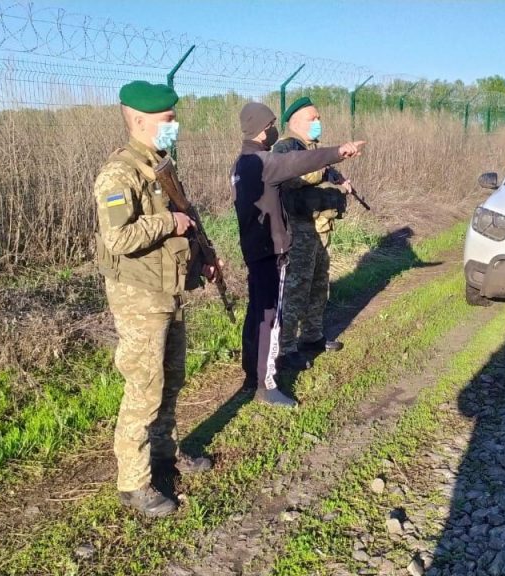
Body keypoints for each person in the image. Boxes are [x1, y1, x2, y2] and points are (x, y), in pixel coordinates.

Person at [94, 80, 218, 517]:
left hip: (170, 287)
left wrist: (202, 257)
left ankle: (164, 451)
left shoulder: (160, 163)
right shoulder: (119, 173)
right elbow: (119, 237)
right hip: (139, 294)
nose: (174, 125)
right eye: (168, 120)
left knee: (172, 376)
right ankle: (133, 482)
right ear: (141, 121)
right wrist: (167, 223)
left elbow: (185, 219)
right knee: (144, 386)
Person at [231, 102, 364, 408]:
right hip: (270, 249)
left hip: (254, 247)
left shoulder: (240, 163)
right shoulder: (265, 161)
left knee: (256, 317)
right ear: (264, 129)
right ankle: (267, 385)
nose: (274, 128)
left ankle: (252, 374)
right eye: (272, 124)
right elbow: (299, 162)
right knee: (269, 319)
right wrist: (338, 151)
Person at [272, 97, 352, 369]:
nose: (318, 122)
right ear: (295, 122)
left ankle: (312, 336)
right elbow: (290, 177)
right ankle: (286, 348)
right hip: (299, 228)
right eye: (312, 119)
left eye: (319, 118)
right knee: (297, 288)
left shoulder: (312, 148)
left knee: (319, 284)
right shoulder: (286, 148)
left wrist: (339, 183)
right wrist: (323, 170)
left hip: (320, 226)